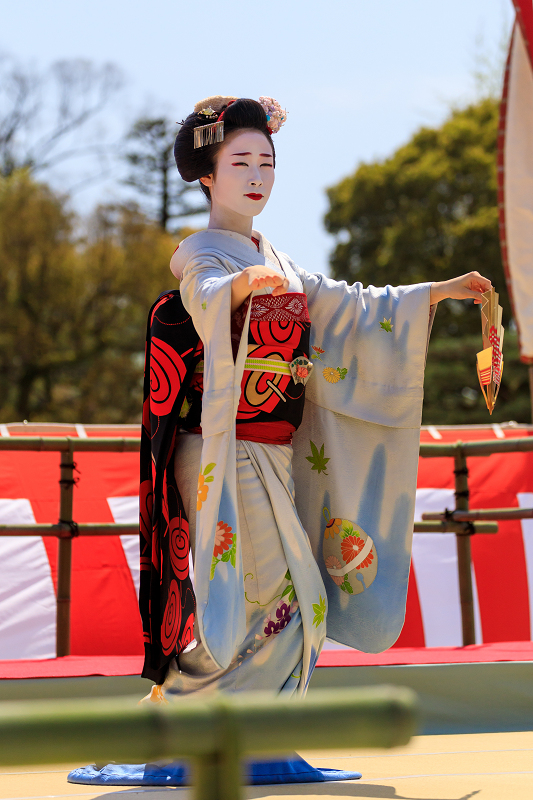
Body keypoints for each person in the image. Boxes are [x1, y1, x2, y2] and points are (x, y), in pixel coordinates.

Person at [140, 95, 492, 703]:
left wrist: (436, 292)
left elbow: (353, 304)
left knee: (297, 592)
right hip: (223, 447)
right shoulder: (203, 257)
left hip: (271, 450)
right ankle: (203, 719)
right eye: (241, 163)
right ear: (207, 175)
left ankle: (235, 720)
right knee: (273, 591)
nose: (257, 177)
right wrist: (244, 284)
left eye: (266, 163)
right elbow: (205, 297)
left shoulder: (274, 258)